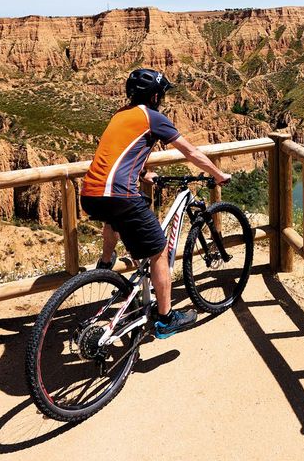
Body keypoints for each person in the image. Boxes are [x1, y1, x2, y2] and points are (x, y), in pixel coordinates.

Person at [80, 67, 231, 339]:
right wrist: (218, 175)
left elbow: (119, 155)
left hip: (91, 193)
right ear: (154, 96)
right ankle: (165, 319)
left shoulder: (120, 115)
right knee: (159, 251)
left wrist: (143, 173)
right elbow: (191, 151)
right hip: (120, 194)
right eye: (160, 94)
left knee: (115, 219)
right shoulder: (153, 118)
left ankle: (105, 265)